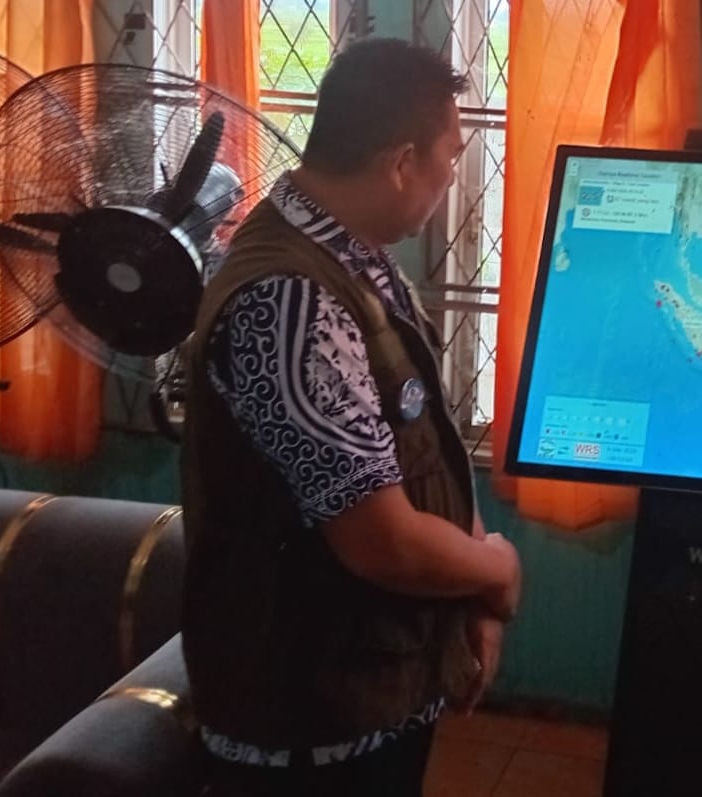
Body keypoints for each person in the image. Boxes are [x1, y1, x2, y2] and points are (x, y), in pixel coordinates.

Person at [178, 38, 521, 796]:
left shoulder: (350, 253)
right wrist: (497, 569)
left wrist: (468, 595)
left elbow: (417, 443)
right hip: (312, 720)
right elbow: (379, 539)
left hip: (374, 681)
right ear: (401, 162)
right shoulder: (290, 302)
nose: (452, 175)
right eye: (450, 156)